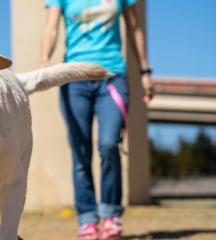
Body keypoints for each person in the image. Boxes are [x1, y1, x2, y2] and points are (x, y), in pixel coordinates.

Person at [39, 0, 153, 239]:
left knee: (109, 144)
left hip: (112, 76)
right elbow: (51, 27)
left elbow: (135, 27)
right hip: (74, 78)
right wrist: (44, 60)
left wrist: (145, 71)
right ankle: (88, 220)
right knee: (81, 153)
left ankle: (111, 215)